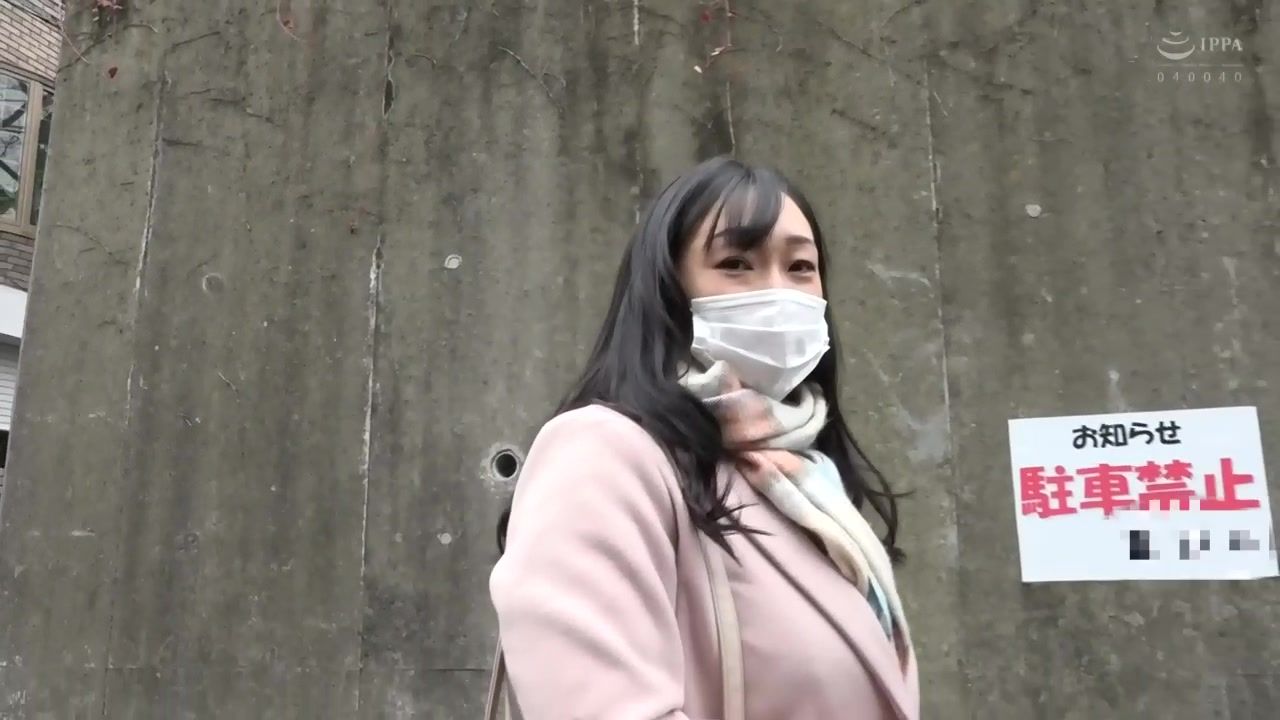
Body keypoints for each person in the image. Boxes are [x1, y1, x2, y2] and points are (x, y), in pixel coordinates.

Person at [489, 157, 918, 719]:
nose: (778, 291)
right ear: (668, 290)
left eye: (800, 267)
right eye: (736, 263)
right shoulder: (604, 455)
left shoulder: (810, 483)